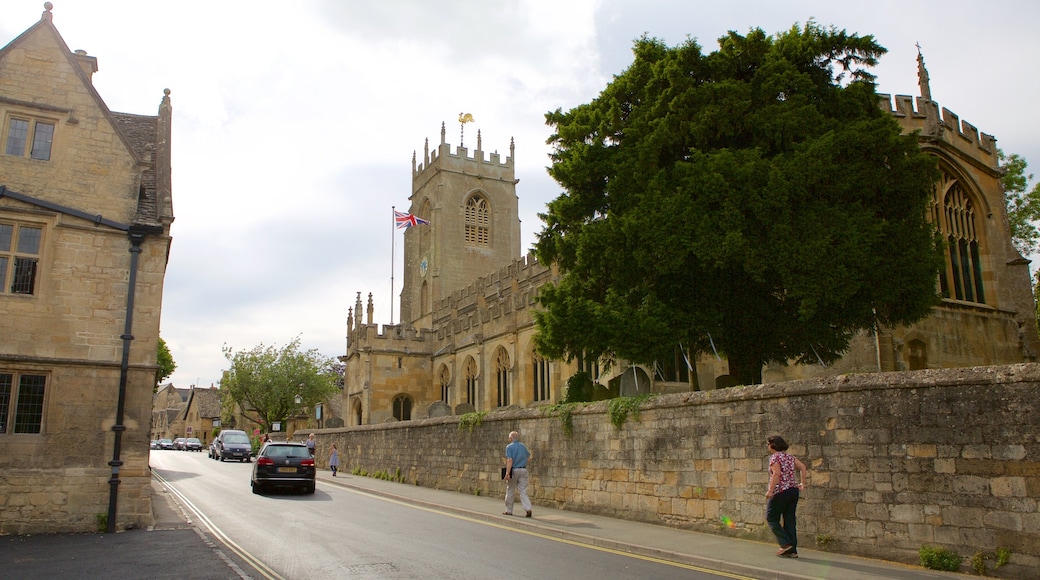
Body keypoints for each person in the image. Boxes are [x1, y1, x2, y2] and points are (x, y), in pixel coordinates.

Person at [765, 435, 808, 558]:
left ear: (773, 445)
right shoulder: (790, 457)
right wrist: (802, 483)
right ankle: (792, 550)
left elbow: (776, 474)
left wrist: (770, 491)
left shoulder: (774, 458)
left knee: (771, 518)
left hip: (780, 492)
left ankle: (785, 544)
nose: (768, 447)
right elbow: (803, 468)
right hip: (793, 491)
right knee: (789, 520)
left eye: (768, 444)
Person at [503, 431, 532, 517]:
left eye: (509, 438)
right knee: (523, 490)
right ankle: (528, 508)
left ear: (511, 439)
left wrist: (507, 473)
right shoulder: (523, 446)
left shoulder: (509, 447)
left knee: (510, 489)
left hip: (514, 470)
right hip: (523, 470)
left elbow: (510, 460)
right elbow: (528, 458)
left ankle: (509, 510)